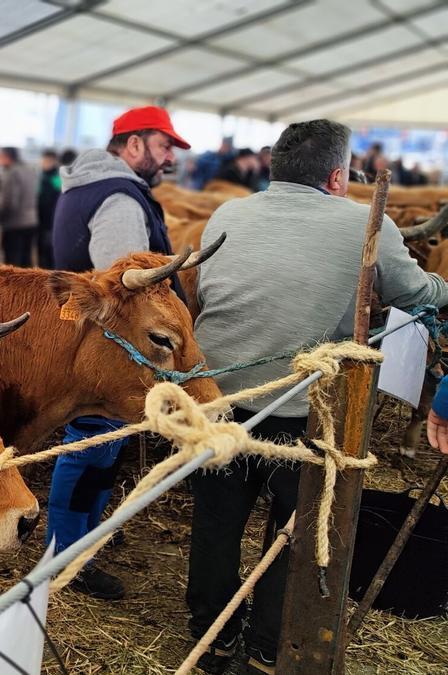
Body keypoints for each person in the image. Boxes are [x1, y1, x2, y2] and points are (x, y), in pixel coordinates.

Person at [188, 119, 448, 675]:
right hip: (300, 406)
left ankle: (211, 635)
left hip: (212, 399)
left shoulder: (227, 212)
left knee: (215, 522)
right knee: (296, 525)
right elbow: (415, 291)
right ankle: (265, 644)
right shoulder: (365, 221)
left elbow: (206, 291)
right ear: (337, 176)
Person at [49, 106, 191, 601]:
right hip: (109, 346)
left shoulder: (89, 187)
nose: (169, 156)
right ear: (133, 145)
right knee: (92, 440)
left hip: (92, 338)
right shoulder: (120, 200)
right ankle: (65, 553)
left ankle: (84, 536)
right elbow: (126, 286)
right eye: (163, 144)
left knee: (100, 441)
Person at [0, 147, 38, 267]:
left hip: (14, 223)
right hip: (31, 221)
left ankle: (14, 286)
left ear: (7, 157)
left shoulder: (11, 172)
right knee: (26, 261)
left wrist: (0, 218)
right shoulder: (30, 170)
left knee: (12, 264)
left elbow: (9, 201)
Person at [37, 150, 62, 269]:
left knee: (48, 253)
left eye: (46, 161)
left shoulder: (57, 179)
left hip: (50, 221)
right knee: (41, 251)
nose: (43, 163)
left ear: (53, 162)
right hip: (40, 221)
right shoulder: (42, 176)